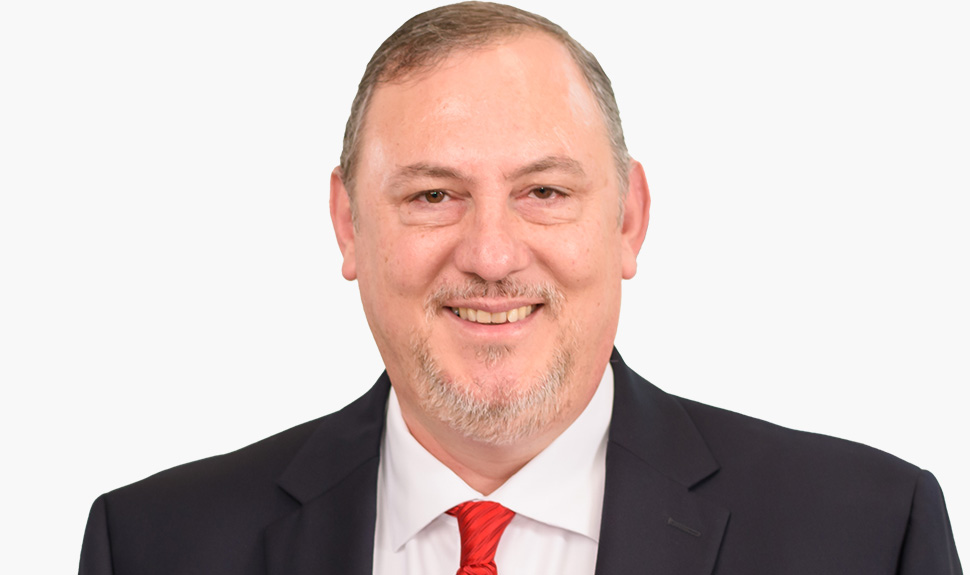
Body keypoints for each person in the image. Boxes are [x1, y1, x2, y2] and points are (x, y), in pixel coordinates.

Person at [78, 2, 962, 574]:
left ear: (628, 218)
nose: (492, 255)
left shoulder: (866, 536)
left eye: (544, 191)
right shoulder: (157, 545)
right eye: (433, 196)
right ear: (348, 224)